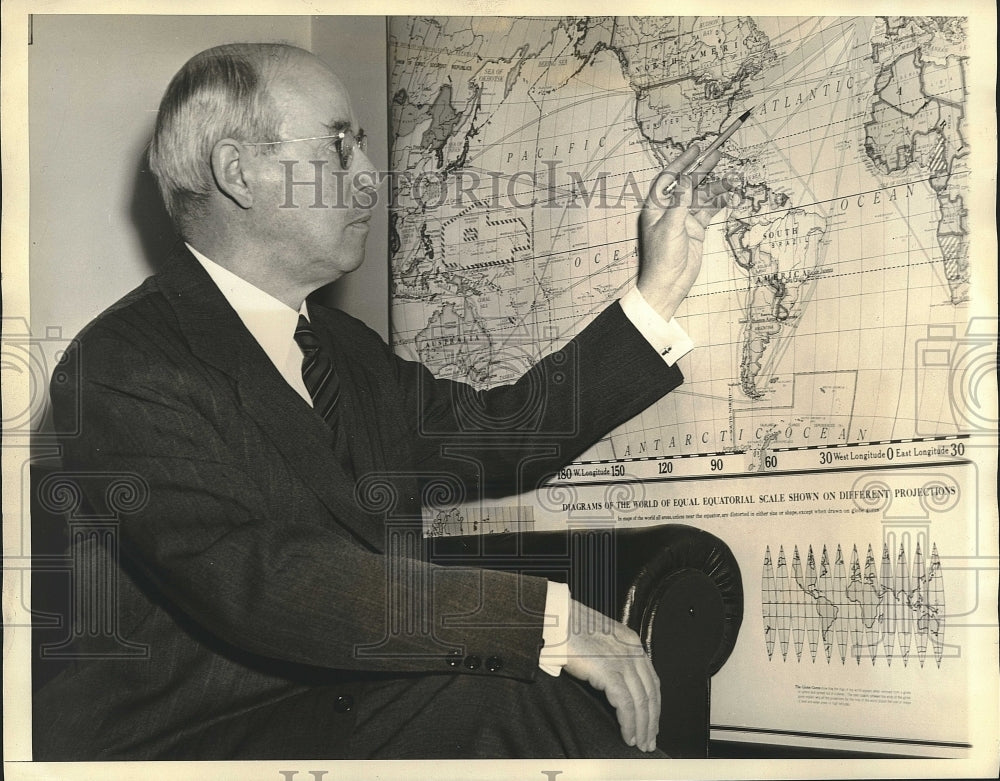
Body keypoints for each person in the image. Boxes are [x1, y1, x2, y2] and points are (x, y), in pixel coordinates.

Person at [33, 42, 730, 760]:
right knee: (506, 687)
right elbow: (263, 582)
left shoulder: (348, 351)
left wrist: (657, 294)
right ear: (239, 173)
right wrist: (543, 619)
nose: (371, 179)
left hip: (342, 706)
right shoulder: (121, 363)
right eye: (341, 148)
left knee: (516, 690)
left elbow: (503, 435)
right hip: (184, 744)